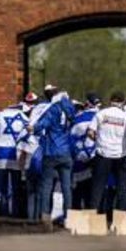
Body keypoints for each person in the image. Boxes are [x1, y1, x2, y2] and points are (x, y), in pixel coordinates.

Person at [32, 89, 75, 222]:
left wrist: (33, 128)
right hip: (66, 152)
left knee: (47, 186)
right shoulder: (71, 109)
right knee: (66, 187)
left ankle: (45, 217)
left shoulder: (53, 109)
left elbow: (42, 124)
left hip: (51, 151)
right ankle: (68, 217)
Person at [90, 92, 126, 220]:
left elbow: (90, 132)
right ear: (123, 102)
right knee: (122, 189)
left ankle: (93, 219)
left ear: (110, 100)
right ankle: (120, 220)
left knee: (98, 187)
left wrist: (99, 141)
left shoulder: (101, 113)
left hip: (103, 153)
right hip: (121, 155)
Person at [0, 95, 32, 218]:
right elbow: (29, 136)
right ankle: (15, 214)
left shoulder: (0, 116)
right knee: (16, 188)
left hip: (1, 155)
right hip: (17, 156)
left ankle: (3, 214)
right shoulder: (25, 118)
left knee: (2, 188)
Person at [70, 96, 100, 210]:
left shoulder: (78, 119)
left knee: (78, 192)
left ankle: (76, 223)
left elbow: (71, 141)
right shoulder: (103, 116)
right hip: (99, 158)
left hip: (80, 160)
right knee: (95, 192)